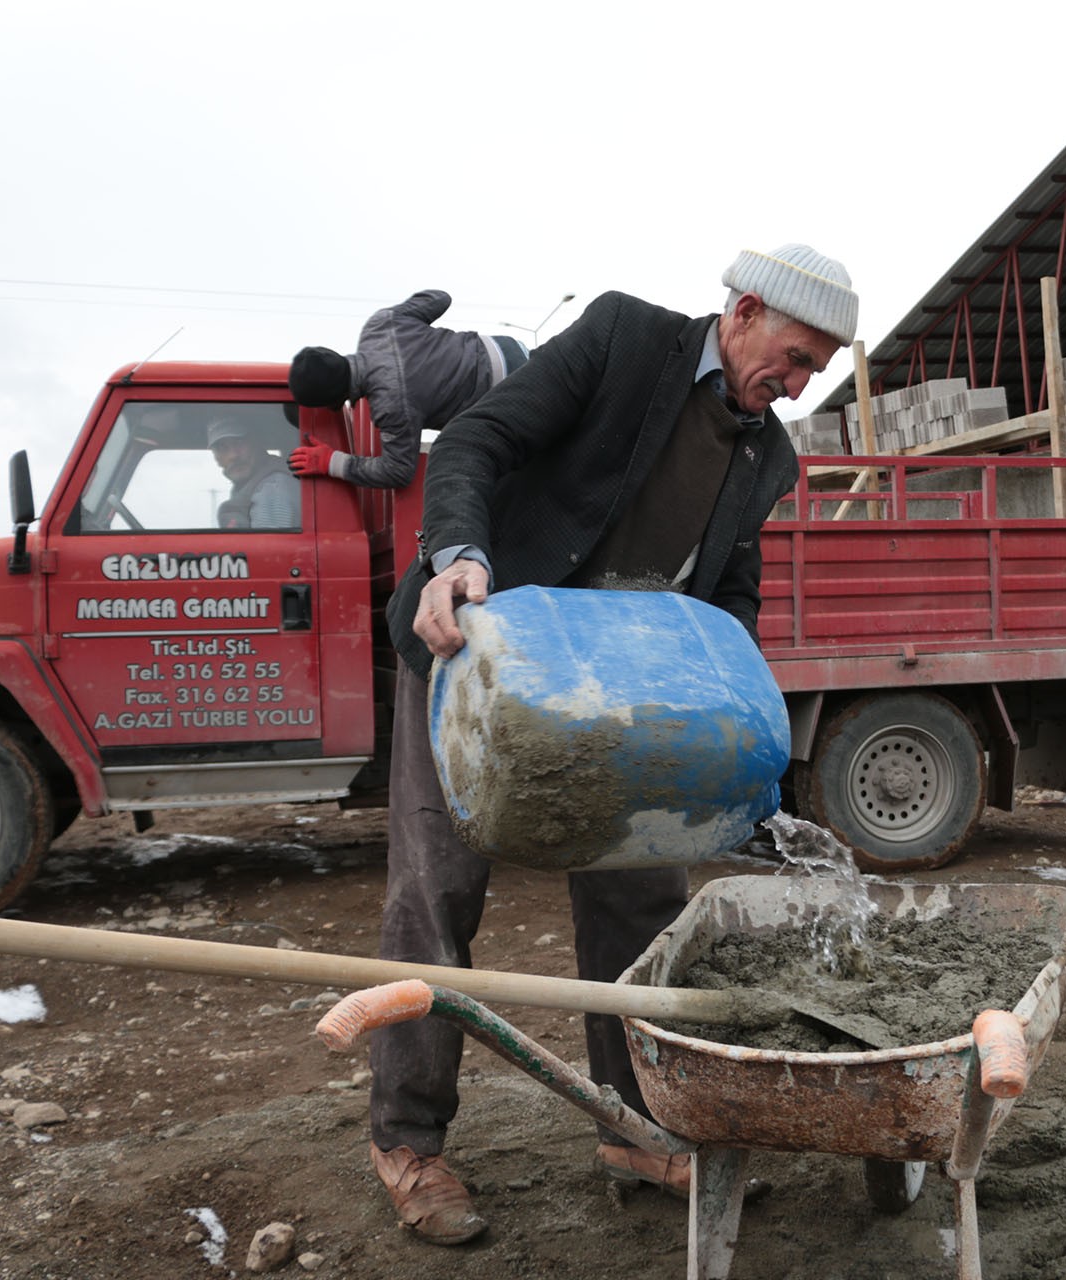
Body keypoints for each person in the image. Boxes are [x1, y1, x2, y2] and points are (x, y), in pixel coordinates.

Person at [367, 245, 857, 1246]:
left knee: (639, 903)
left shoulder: (768, 455)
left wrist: (732, 716)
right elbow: (473, 440)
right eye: (796, 356)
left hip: (621, 696)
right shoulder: (624, 339)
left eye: (817, 371)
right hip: (478, 664)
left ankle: (633, 1124)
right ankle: (408, 1140)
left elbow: (729, 596)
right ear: (746, 310)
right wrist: (457, 555)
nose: (799, 384)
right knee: (436, 896)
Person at [285, 289, 528, 487]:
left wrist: (331, 462)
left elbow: (397, 472)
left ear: (334, 401)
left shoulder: (390, 408)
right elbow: (440, 298)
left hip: (511, 396)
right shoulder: (380, 324)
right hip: (511, 349)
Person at [209, 420, 300, 530]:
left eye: (239, 442)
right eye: (222, 448)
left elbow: (268, 545)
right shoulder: (252, 486)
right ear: (216, 458)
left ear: (256, 443)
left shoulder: (272, 488)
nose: (233, 455)